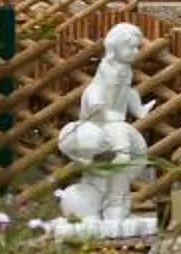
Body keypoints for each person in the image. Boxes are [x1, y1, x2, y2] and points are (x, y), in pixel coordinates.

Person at [55, 23, 153, 231]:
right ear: (114, 47)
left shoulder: (124, 70)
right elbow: (95, 89)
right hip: (107, 120)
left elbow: (127, 93)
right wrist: (97, 104)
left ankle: (114, 206)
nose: (135, 53)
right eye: (131, 48)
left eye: (138, 47)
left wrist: (138, 109)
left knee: (120, 169)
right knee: (118, 156)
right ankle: (107, 202)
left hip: (116, 121)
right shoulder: (108, 68)